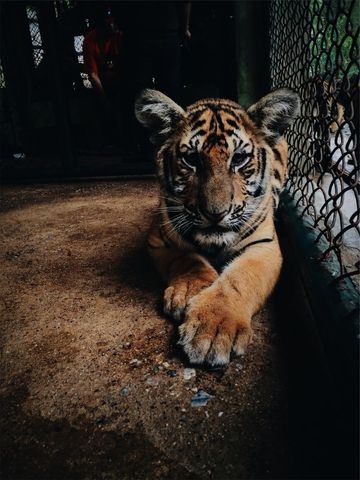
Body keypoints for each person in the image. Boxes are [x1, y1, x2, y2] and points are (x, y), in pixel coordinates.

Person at [83, 6, 124, 147]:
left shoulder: (121, 35)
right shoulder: (90, 40)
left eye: (113, 22)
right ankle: (107, 141)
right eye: (107, 24)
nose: (111, 26)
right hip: (104, 83)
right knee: (100, 105)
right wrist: (104, 99)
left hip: (121, 81)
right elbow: (93, 74)